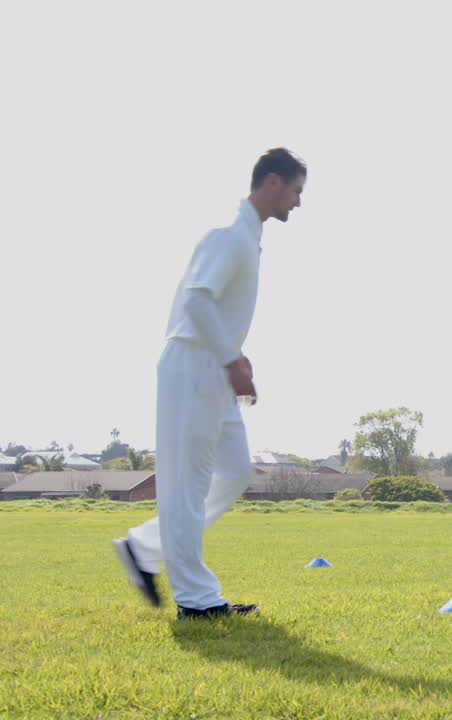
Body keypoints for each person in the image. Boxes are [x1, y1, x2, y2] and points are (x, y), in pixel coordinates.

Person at [113, 148, 307, 617]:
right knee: (187, 487)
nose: (299, 203)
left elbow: (213, 308)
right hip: (193, 366)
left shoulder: (247, 236)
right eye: (297, 191)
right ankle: (197, 601)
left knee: (236, 471)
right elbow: (198, 301)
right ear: (273, 182)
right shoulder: (228, 233)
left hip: (214, 369)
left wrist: (234, 357)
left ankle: (144, 547)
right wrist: (230, 358)